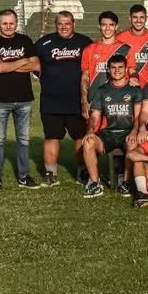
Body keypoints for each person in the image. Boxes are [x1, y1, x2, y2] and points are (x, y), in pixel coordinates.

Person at [35, 10, 92, 187]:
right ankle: (50, 174)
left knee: (80, 137)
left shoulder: (85, 42)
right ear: (56, 25)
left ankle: (82, 172)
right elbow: (34, 63)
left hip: (77, 101)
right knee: (51, 137)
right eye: (60, 23)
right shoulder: (44, 42)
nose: (64, 27)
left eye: (67, 23)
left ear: (74, 24)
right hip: (51, 101)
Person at [0, 9, 40, 190]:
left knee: (23, 140)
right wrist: (23, 61)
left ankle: (24, 176)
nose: (8, 26)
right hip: (1, 99)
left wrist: (9, 65)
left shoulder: (25, 40)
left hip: (24, 98)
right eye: (5, 23)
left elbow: (36, 65)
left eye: (11, 23)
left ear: (16, 23)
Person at [79, 55, 141, 197]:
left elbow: (138, 116)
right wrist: (90, 131)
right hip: (108, 133)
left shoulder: (135, 90)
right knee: (88, 142)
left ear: (126, 69)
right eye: (113, 67)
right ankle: (95, 183)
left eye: (120, 67)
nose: (117, 70)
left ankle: (125, 183)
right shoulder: (102, 90)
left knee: (132, 144)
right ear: (108, 69)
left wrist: (134, 131)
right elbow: (94, 116)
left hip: (127, 132)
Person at [81, 11, 134, 120]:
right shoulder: (89, 49)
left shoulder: (126, 49)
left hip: (119, 102)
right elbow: (85, 78)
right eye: (104, 25)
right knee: (93, 130)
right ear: (99, 26)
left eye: (111, 25)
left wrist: (135, 77)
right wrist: (84, 102)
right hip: (95, 100)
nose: (107, 28)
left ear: (116, 27)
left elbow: (132, 72)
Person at [117, 4, 148, 86]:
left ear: (146, 18)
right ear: (129, 18)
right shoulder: (119, 38)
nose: (138, 21)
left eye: (141, 17)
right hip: (126, 87)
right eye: (135, 17)